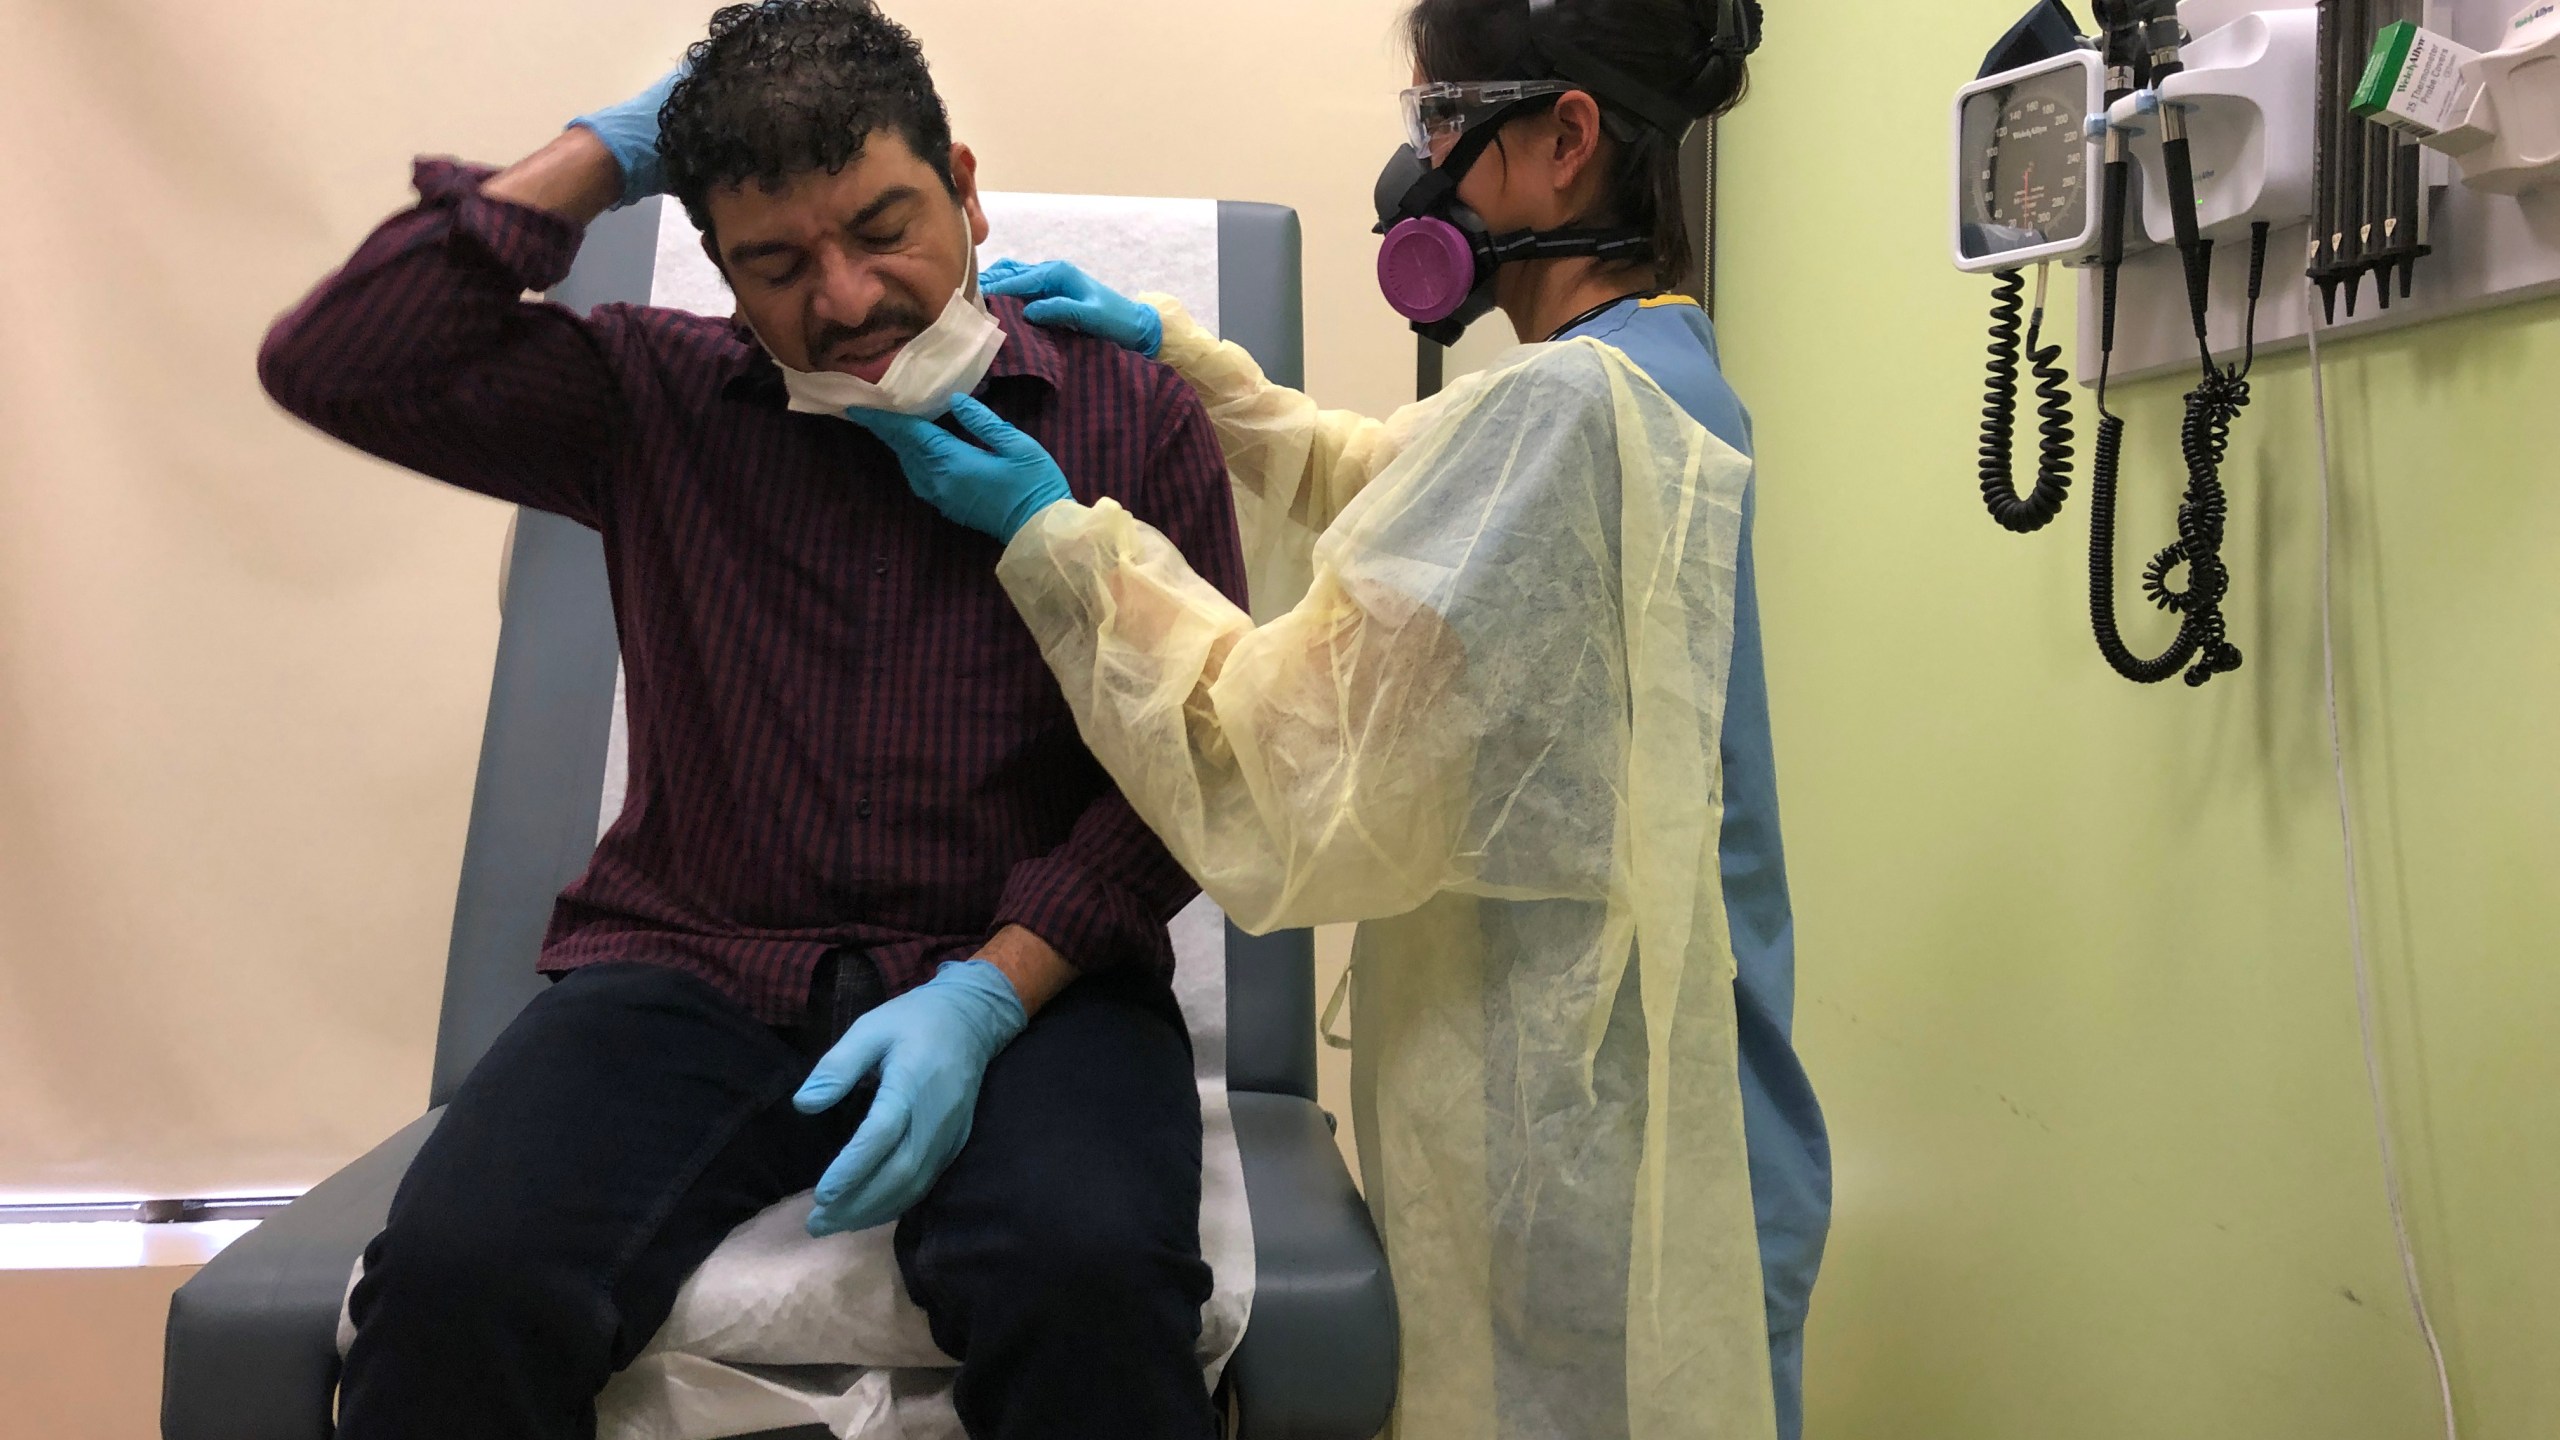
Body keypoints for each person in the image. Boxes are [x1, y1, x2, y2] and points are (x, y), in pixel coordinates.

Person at [255, 3, 1244, 1437]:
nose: (846, 300)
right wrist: (598, 156)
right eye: (776, 264)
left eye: (886, 228)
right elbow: (335, 362)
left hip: (1027, 980)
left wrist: (994, 990)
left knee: (1087, 1280)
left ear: (966, 184)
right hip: (692, 963)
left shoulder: (1127, 416)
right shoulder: (651, 398)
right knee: (460, 1287)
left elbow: (1188, 768)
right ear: (716, 271)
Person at [844, 1, 1830, 1438]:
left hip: (1586, 1161)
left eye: (1444, 121)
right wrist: (1192, 370)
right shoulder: (1647, 375)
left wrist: (1056, 542)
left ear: (1565, 139)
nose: (1415, 168)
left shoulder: (1564, 413)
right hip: (1652, 1117)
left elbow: (1290, 760)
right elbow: (1397, 486)